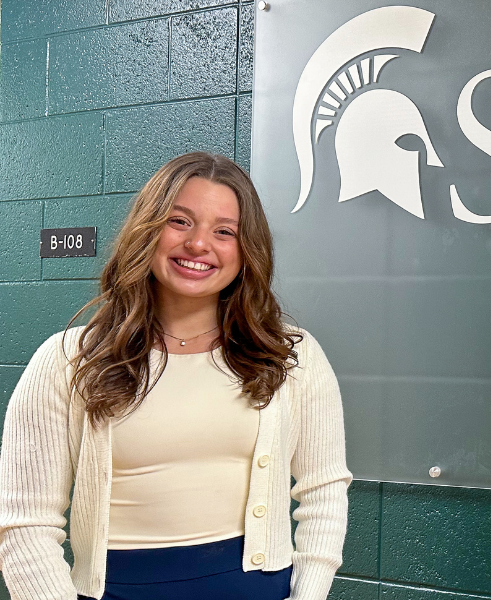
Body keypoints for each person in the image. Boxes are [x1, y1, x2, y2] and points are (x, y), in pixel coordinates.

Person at [0, 152, 351, 600]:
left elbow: (324, 494)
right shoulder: (67, 360)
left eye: (225, 232)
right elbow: (25, 525)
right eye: (179, 222)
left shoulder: (290, 355)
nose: (199, 244)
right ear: (147, 231)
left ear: (247, 252)